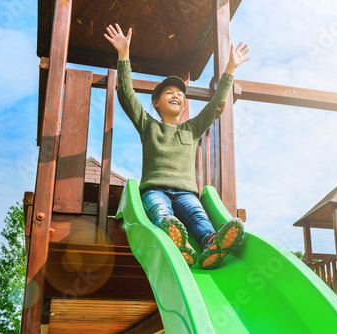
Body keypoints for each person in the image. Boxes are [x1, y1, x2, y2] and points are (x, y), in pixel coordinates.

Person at [105, 23, 249, 269]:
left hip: (185, 192)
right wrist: (123, 54)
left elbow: (217, 104)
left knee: (198, 216)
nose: (176, 95)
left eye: (181, 94)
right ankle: (176, 240)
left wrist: (231, 68)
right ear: (156, 102)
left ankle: (212, 244)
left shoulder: (191, 129)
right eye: (169, 92)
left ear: (183, 105)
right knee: (162, 212)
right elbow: (127, 96)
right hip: (155, 190)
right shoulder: (148, 125)